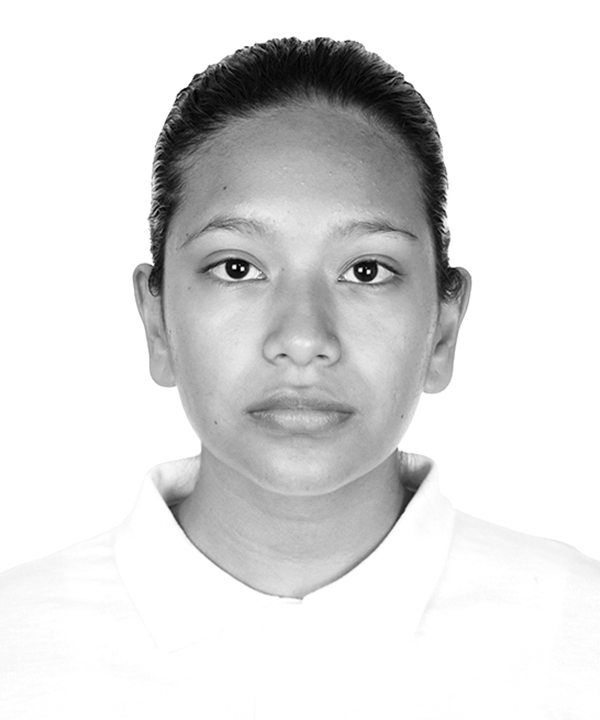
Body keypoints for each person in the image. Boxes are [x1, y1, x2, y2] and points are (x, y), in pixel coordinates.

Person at [1, 36, 598, 719]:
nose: (304, 339)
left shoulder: (580, 638)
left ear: (443, 329)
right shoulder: (16, 651)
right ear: (157, 322)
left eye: (366, 271)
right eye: (237, 268)